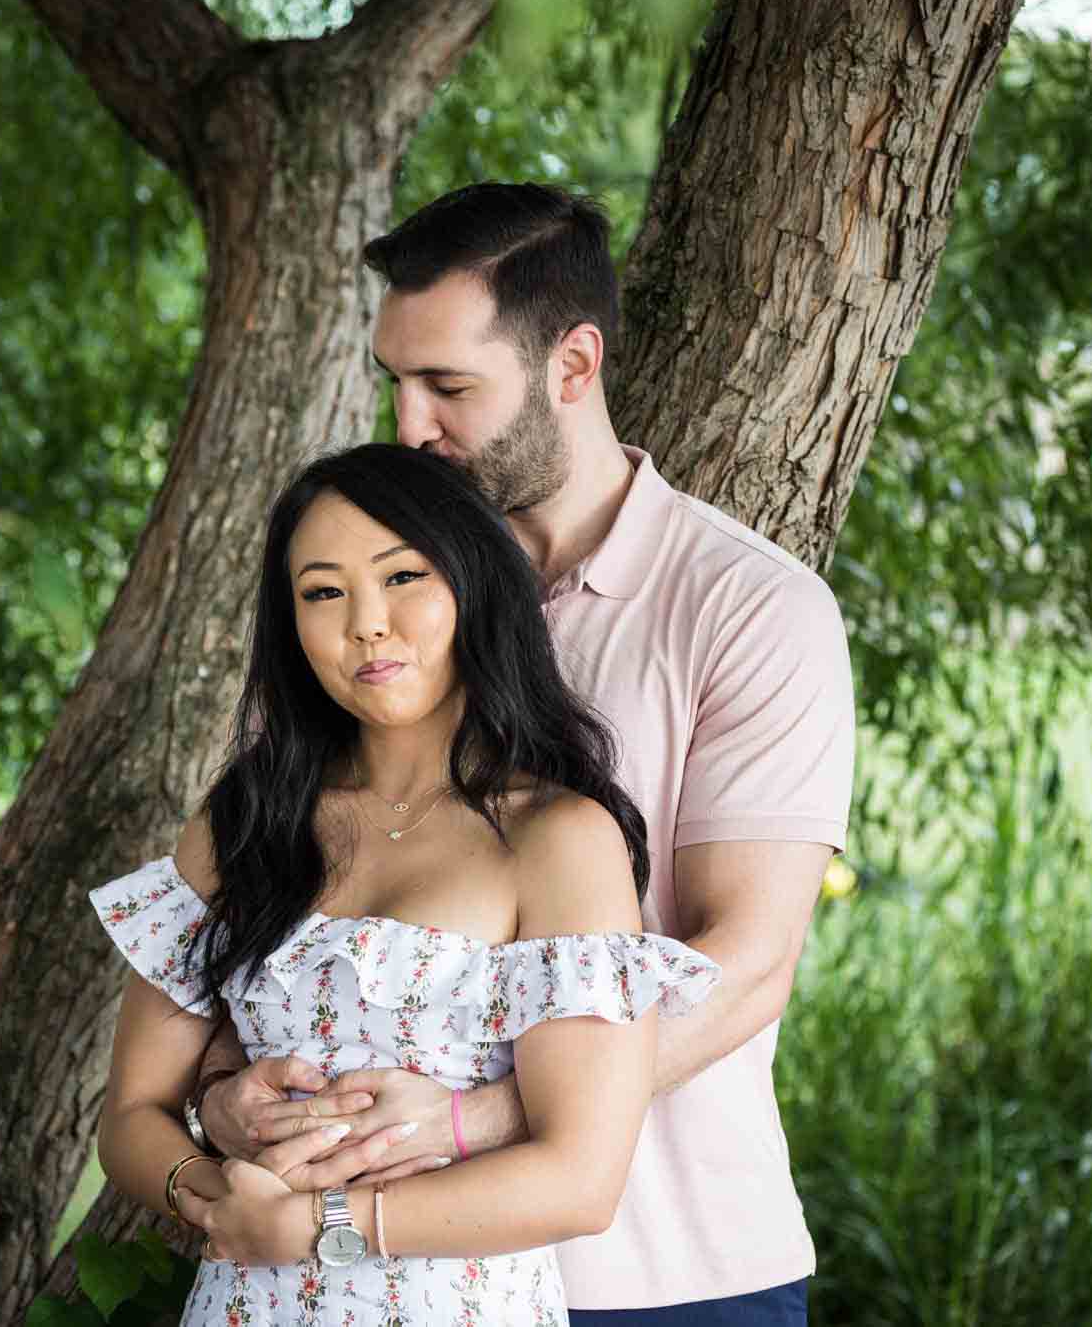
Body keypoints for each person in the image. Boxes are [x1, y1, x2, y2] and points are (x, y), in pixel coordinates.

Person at [190, 183, 855, 1325]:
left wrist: (474, 1117)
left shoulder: (750, 608)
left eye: (447, 386)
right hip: (366, 1286)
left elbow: (746, 956)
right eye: (394, 383)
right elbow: (271, 896)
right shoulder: (366, 605)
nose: (407, 426)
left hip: (667, 1265)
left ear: (572, 365)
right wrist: (221, 1102)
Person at [89, 442, 719, 1325]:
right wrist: (209, 1185)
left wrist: (318, 1226)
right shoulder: (244, 822)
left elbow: (582, 1178)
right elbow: (131, 1113)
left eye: (403, 577)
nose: (366, 624)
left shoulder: (557, 839)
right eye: (323, 591)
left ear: (474, 584)